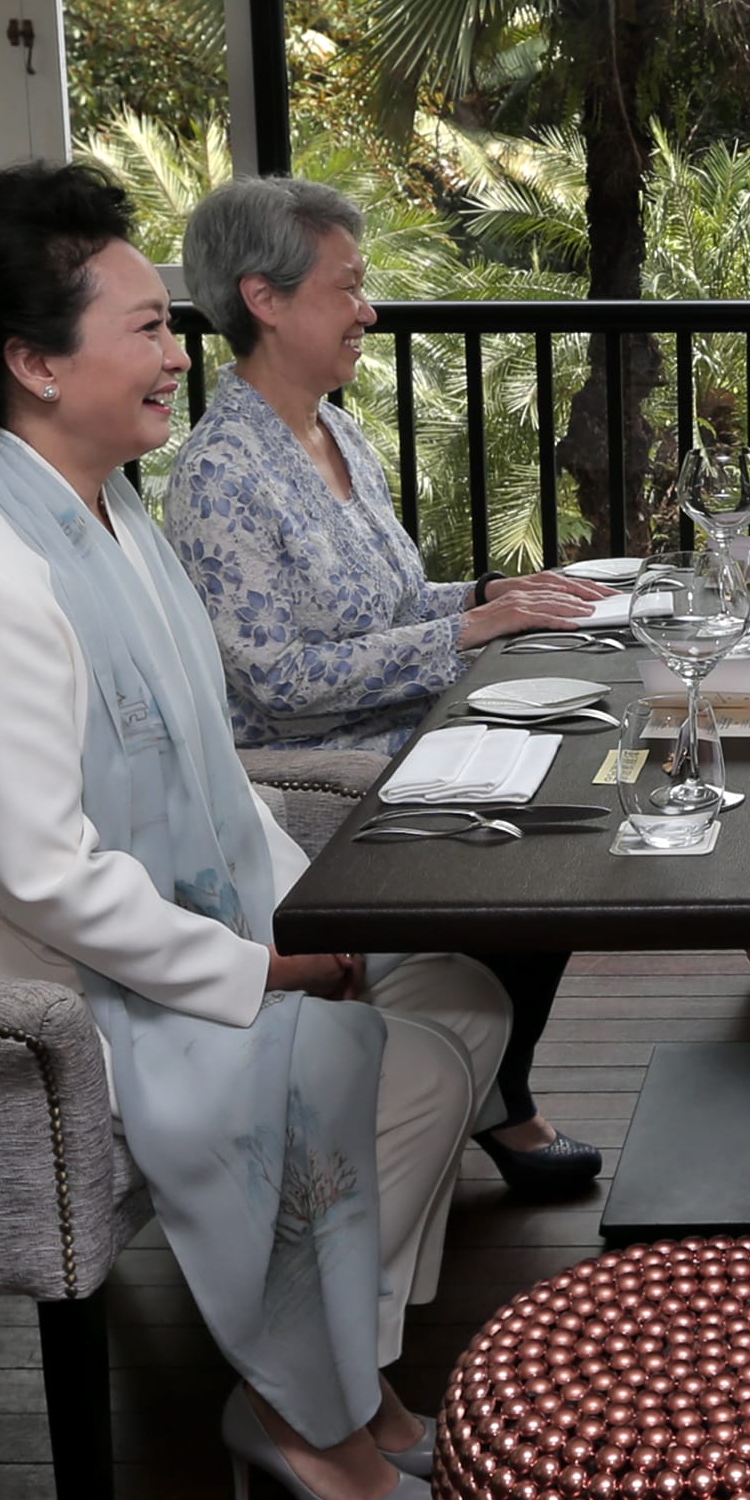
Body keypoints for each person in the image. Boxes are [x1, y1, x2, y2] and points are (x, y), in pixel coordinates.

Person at [0, 164, 509, 1500]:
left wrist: (313, 918)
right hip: (37, 997)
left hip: (146, 942)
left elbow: (214, 782)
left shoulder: (110, 521)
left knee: (452, 995)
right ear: (33, 362)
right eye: (149, 327)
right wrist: (265, 969)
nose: (179, 352)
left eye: (173, 324)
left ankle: (350, 1379)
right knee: (347, 1047)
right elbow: (43, 879)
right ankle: (294, 1408)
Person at [162, 175, 608, 1204]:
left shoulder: (330, 428)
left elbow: (392, 601)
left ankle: (491, 1086)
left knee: (577, 773)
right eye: (348, 287)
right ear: (264, 299)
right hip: (320, 767)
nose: (369, 310)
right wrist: (467, 629)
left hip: (414, 721)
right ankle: (499, 1097)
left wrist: (495, 592)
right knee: (556, 827)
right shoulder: (221, 474)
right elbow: (272, 680)